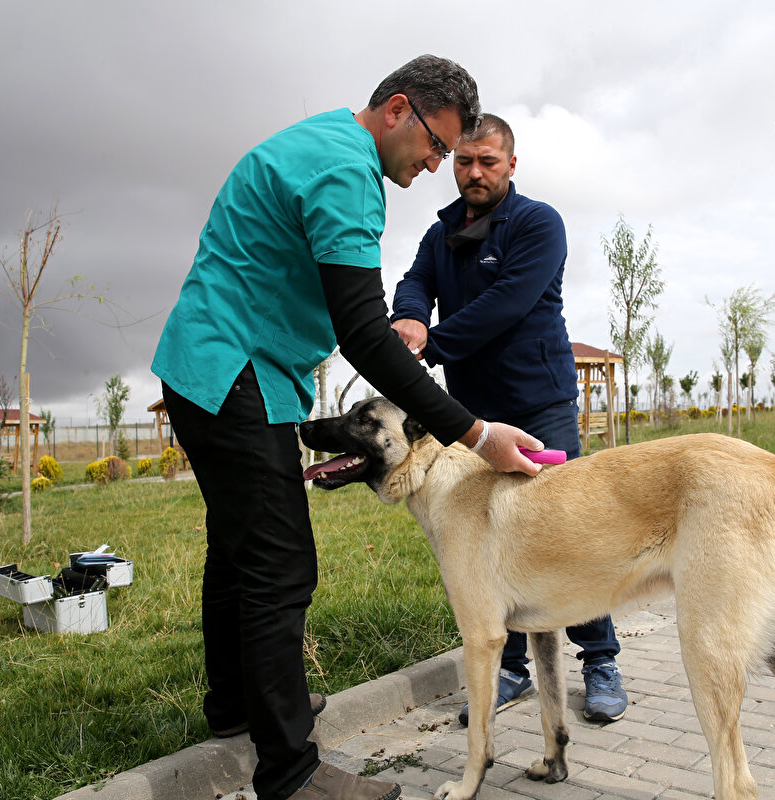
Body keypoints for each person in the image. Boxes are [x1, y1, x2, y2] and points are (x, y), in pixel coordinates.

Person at [151, 57, 546, 800]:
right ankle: (292, 775)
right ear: (398, 110)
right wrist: (474, 434)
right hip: (233, 370)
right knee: (280, 565)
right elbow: (364, 335)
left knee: (239, 553)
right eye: (436, 145)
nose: (436, 165)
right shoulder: (346, 172)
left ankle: (240, 708)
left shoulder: (324, 142)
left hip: (215, 366)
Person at [390, 114, 629, 726]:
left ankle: (599, 659)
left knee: (572, 532)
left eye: (487, 162)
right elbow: (414, 282)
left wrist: (433, 343)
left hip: (539, 404)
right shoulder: (441, 232)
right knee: (494, 540)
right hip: (474, 415)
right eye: (464, 161)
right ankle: (512, 669)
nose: (474, 172)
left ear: (510, 165)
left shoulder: (537, 223)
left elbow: (508, 304)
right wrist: (411, 316)